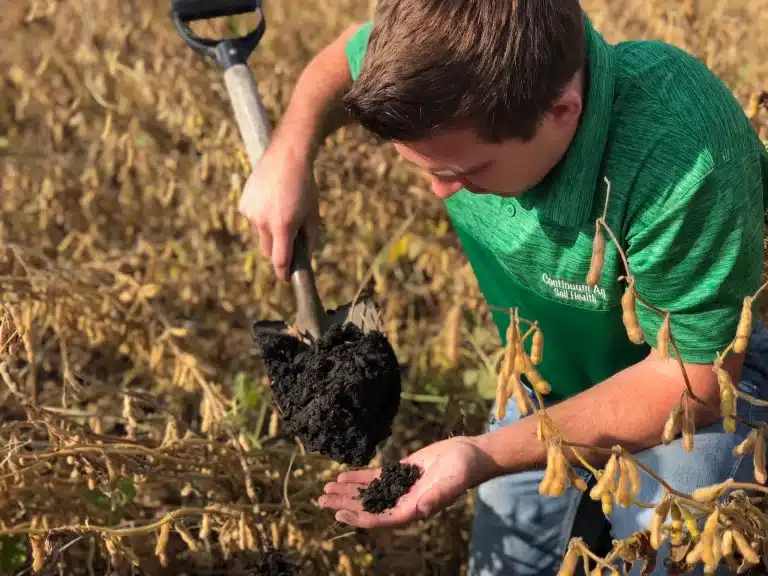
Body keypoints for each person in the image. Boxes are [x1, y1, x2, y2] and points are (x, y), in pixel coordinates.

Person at [238, 0, 768, 574]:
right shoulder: (445, 65)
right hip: (543, 378)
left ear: (562, 112)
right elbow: (347, 53)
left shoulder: (682, 160)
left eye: (466, 172)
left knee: (672, 550)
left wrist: (484, 454)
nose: (443, 193)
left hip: (695, 390)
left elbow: (696, 379)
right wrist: (289, 150)